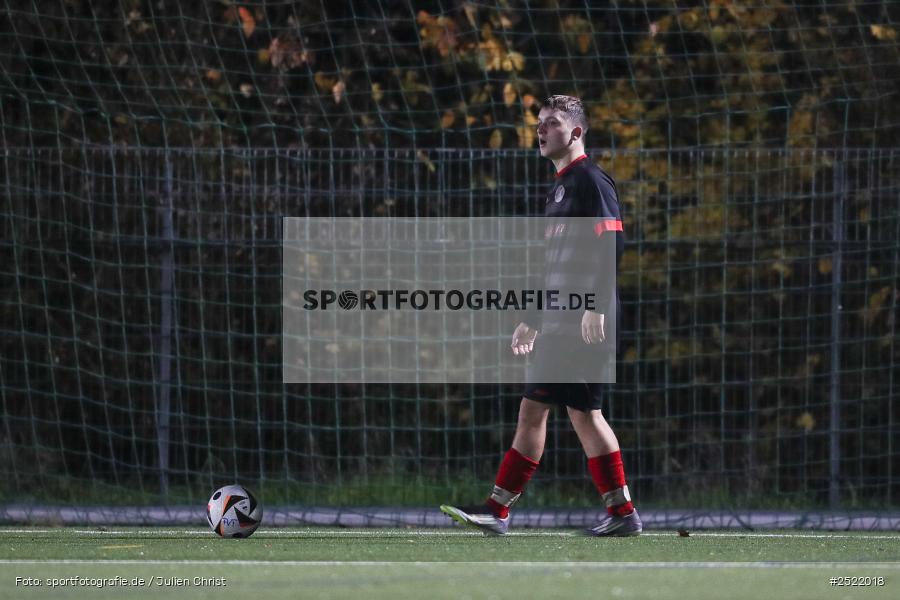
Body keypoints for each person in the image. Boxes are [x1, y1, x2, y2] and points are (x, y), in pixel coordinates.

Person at [440, 95, 640, 536]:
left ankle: (617, 513)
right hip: (559, 319)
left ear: (576, 132)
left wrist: (593, 306)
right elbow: (555, 266)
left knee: (576, 413)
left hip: (583, 321)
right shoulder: (559, 187)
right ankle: (504, 510)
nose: (541, 130)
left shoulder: (591, 180)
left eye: (551, 123)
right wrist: (532, 316)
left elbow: (611, 244)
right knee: (549, 411)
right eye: (539, 124)